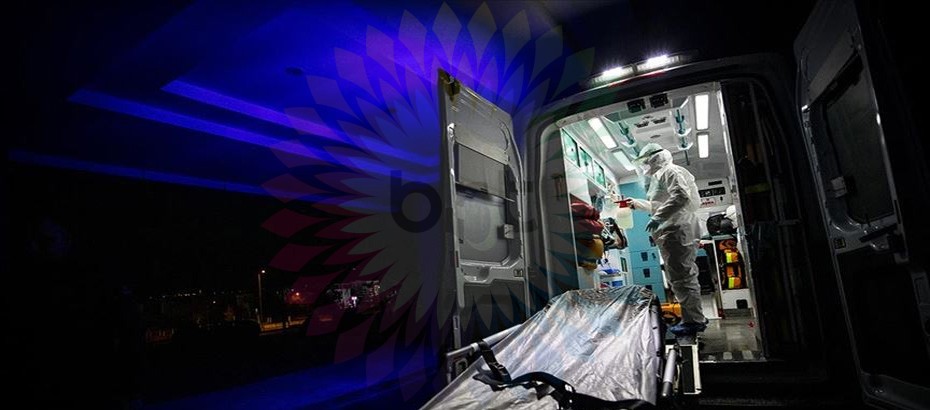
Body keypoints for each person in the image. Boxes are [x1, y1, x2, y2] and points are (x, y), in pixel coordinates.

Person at [632, 143, 706, 337]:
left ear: (654, 158)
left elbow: (681, 197)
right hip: (673, 229)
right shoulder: (659, 177)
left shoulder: (670, 171)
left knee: (682, 276)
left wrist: (658, 218)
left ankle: (694, 321)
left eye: (645, 161)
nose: (644, 166)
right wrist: (636, 204)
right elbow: (659, 204)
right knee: (679, 276)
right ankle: (693, 317)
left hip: (678, 229)